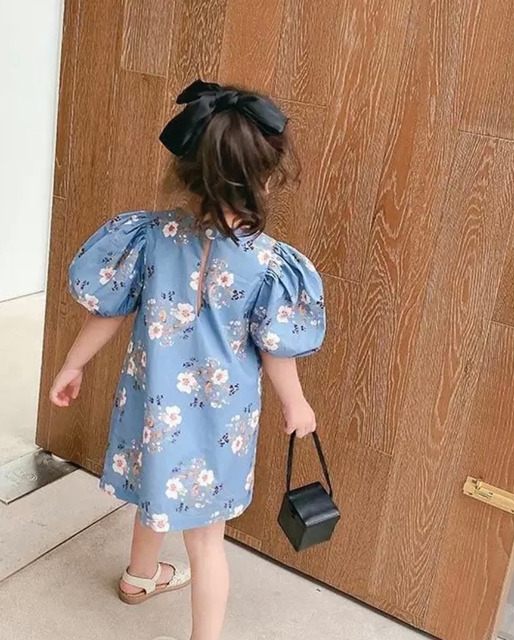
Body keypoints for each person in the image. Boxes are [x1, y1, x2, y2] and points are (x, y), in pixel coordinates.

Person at [50, 80, 326, 640]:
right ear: (266, 177)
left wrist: (73, 364)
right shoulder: (268, 264)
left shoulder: (151, 237)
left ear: (187, 170)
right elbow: (276, 348)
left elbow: (108, 310)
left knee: (153, 489)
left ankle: (140, 576)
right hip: (219, 425)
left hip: (153, 408)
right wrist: (296, 404)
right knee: (206, 542)